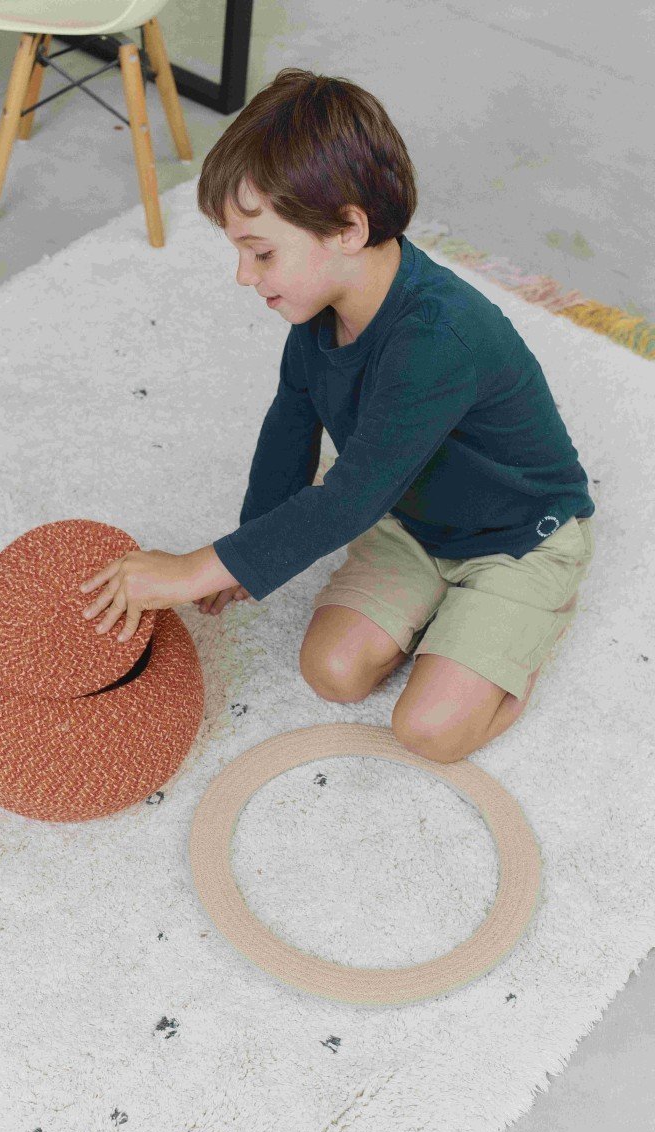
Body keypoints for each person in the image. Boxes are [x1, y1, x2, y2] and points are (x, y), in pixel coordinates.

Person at [191, 67, 596, 762]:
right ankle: (442, 618)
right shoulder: (316, 323)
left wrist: (188, 569)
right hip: (412, 521)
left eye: (259, 252)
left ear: (348, 228)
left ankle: (510, 631)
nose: (243, 276)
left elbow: (345, 502)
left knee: (430, 732)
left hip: (519, 537)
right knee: (332, 672)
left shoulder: (439, 337)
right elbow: (288, 435)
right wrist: (243, 555)